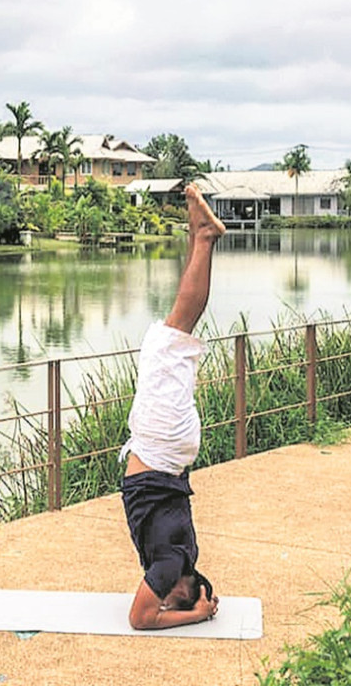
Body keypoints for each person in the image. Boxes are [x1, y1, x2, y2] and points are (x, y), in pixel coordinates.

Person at [121, 183, 225, 630]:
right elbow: (140, 620)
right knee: (171, 339)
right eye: (178, 596)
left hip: (172, 452)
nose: (166, 595)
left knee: (169, 342)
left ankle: (197, 232)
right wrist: (196, 614)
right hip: (161, 450)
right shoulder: (171, 564)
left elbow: (155, 608)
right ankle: (202, 237)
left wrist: (192, 604)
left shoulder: (182, 557)